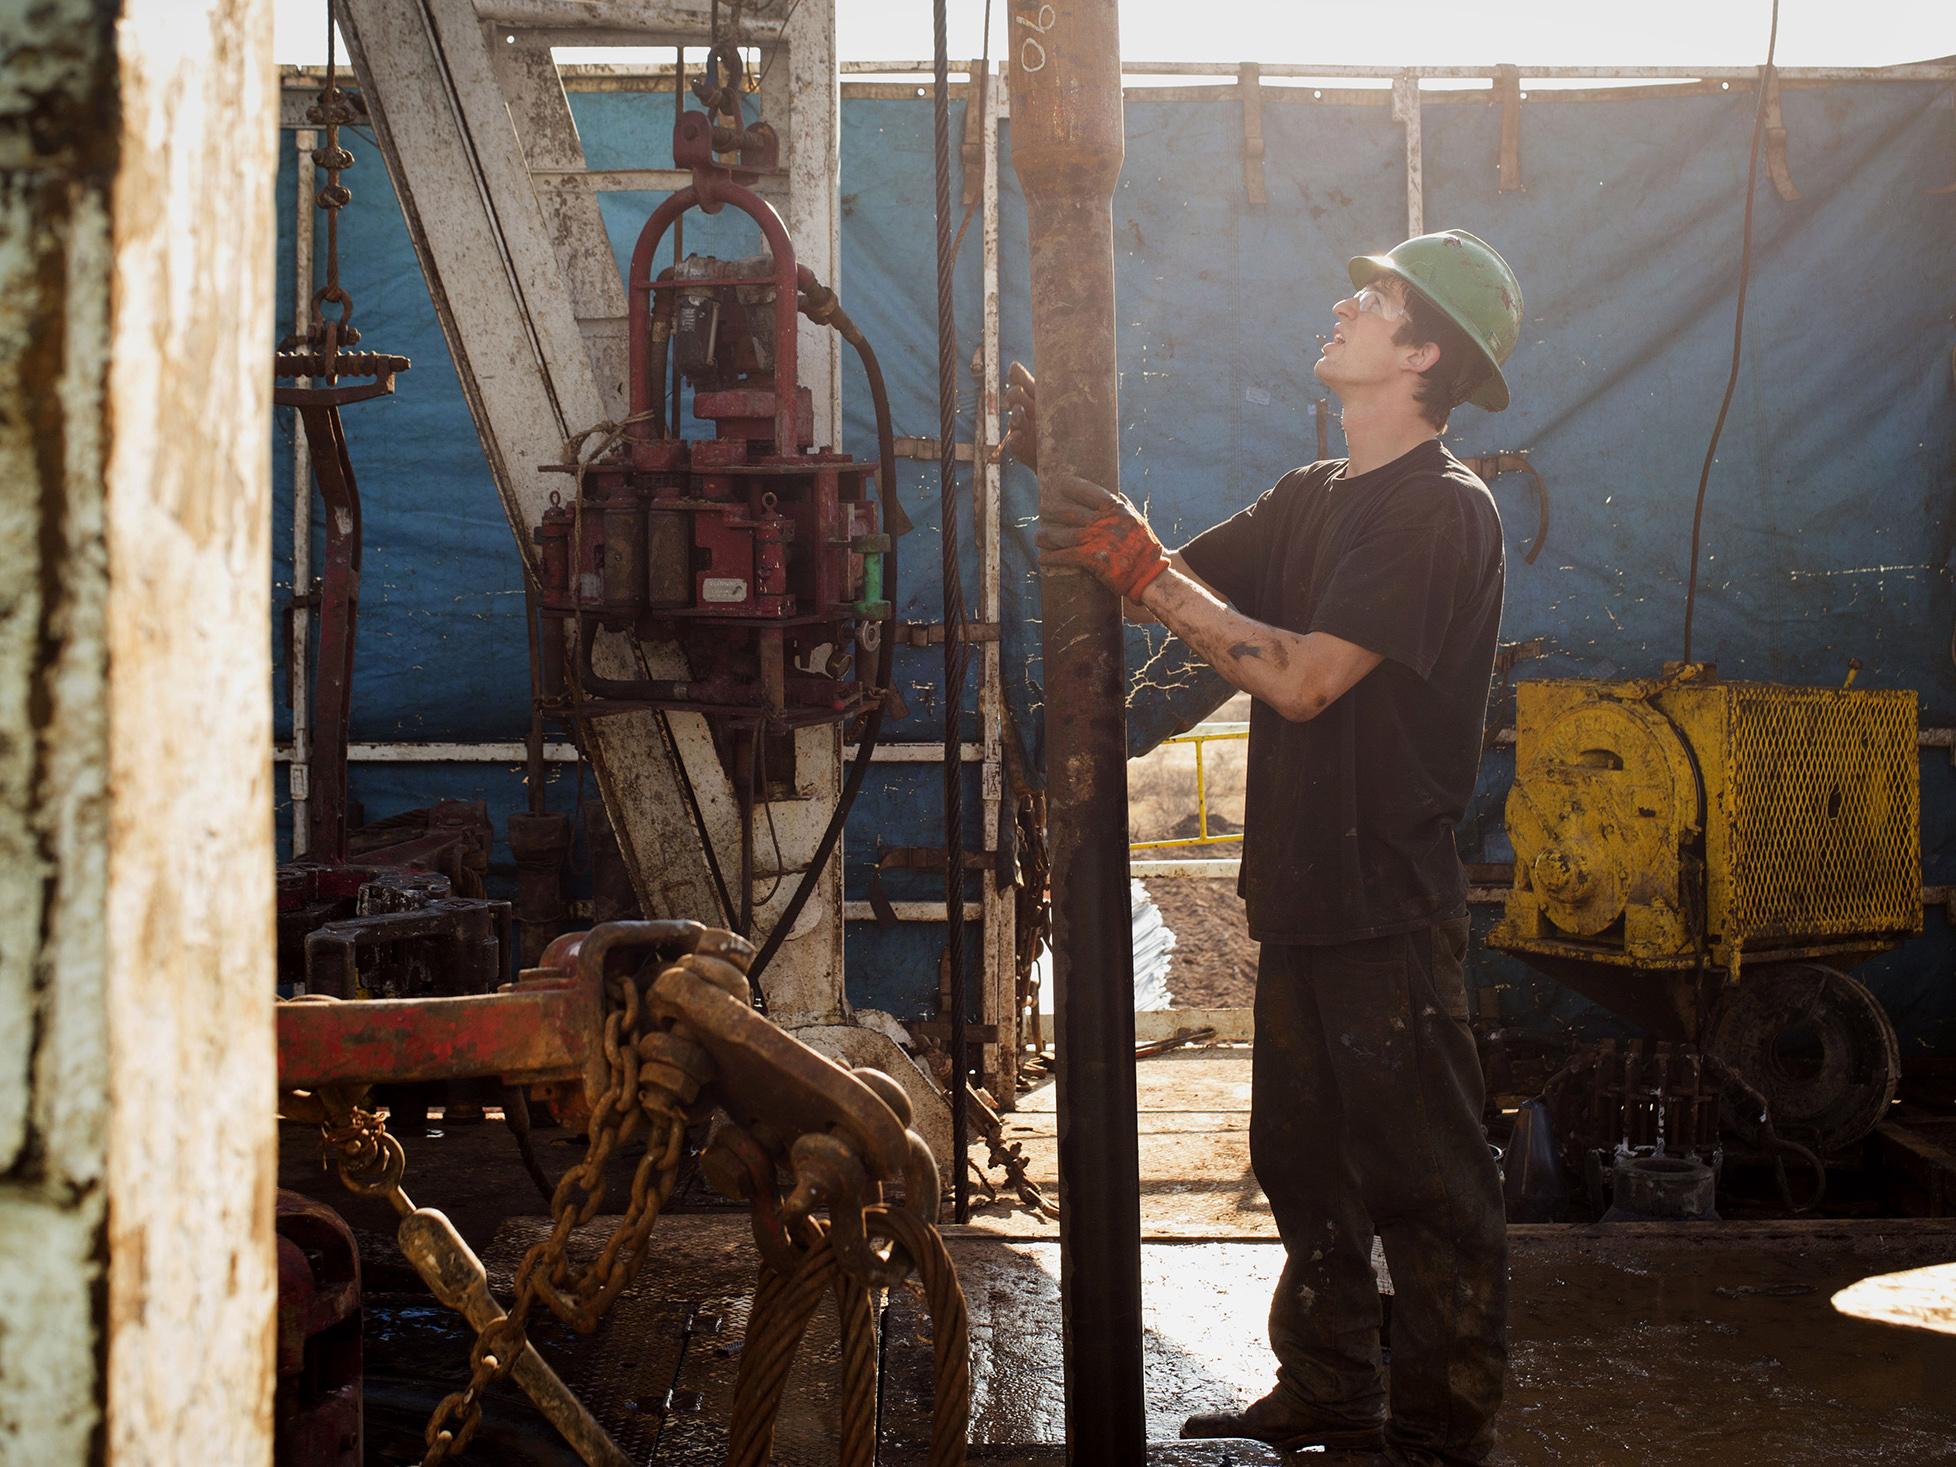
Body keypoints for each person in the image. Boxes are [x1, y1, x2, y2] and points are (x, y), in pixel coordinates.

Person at [1004, 230, 1524, 1467]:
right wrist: (1058, 468)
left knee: (1428, 1182)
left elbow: (1298, 682)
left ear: (1421, 352)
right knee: (1302, 1161)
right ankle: (1333, 1387)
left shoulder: (1440, 515)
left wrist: (1144, 571)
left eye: (1376, 298)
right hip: (1298, 897)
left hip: (1389, 907)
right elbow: (1177, 581)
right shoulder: (1311, 497)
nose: (1344, 302)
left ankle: (1444, 1434)